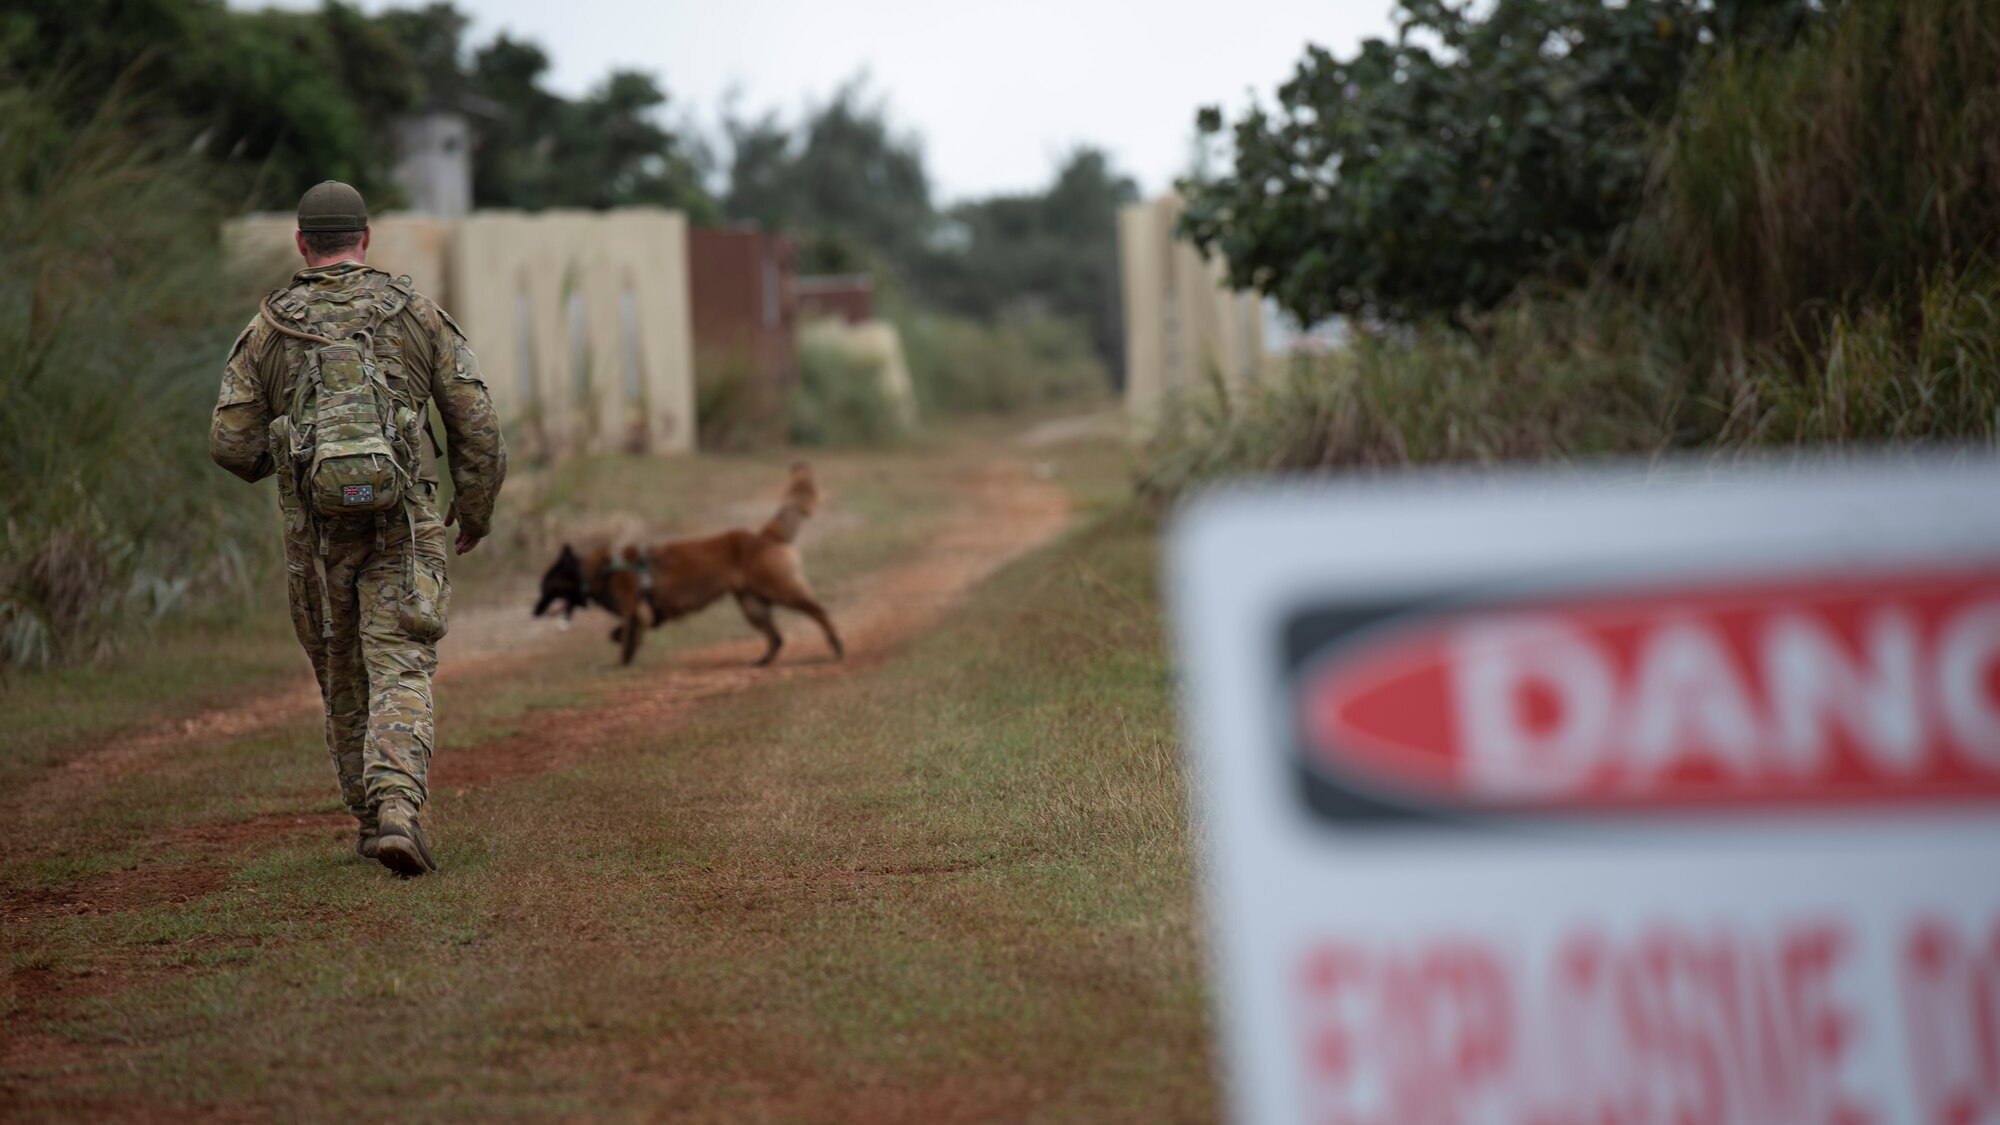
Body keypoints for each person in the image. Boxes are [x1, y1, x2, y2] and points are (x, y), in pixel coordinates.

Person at [209, 181, 506, 876]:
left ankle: (372, 820)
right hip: (405, 526)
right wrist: (476, 509)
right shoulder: (415, 315)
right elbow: (478, 424)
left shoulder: (268, 328)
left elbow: (228, 441)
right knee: (400, 663)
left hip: (315, 539)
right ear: (366, 239)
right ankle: (399, 806)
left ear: (302, 243)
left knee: (343, 673)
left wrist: (285, 462)